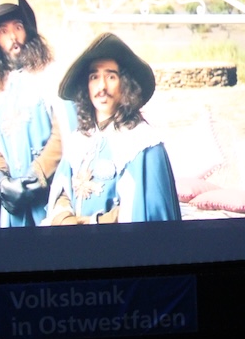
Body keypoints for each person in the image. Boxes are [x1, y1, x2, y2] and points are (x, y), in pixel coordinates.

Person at [46, 33, 181, 226]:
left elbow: (145, 213)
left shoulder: (143, 143)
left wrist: (89, 223)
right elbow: (63, 190)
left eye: (111, 77)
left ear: (125, 85)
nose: (102, 87)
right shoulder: (79, 140)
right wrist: (65, 219)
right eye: (94, 77)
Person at [0, 0, 71, 227]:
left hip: (49, 189)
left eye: (18, 28)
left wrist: (35, 176)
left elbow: (63, 132)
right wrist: (3, 183)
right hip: (14, 198)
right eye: (3, 31)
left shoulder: (50, 75)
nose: (13, 38)